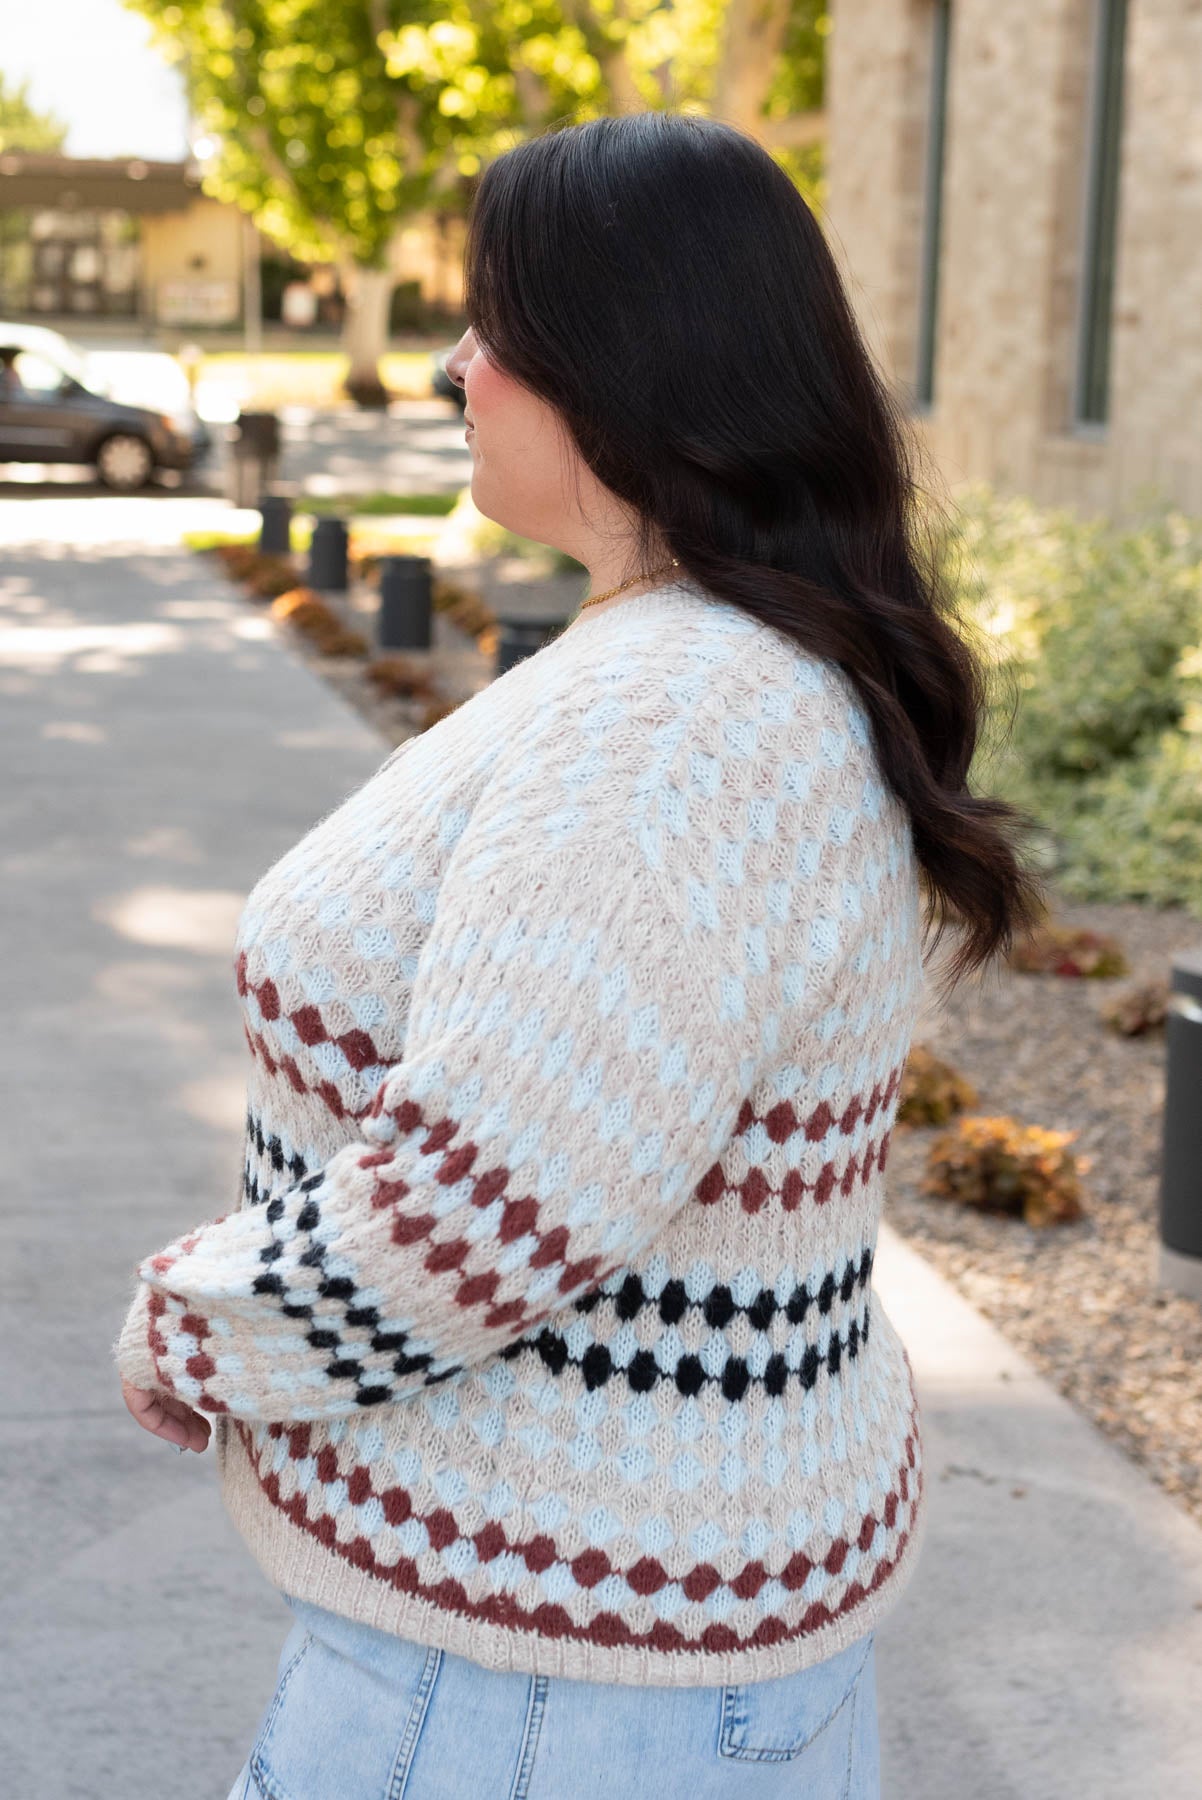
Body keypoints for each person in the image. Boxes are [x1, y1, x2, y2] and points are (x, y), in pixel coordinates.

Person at [113, 109, 1046, 1799]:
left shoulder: (673, 722)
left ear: (629, 367)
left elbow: (487, 1201)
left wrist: (192, 1327)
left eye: (497, 325)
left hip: (531, 1697)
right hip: (612, 1651)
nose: (457, 366)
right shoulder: (707, 664)